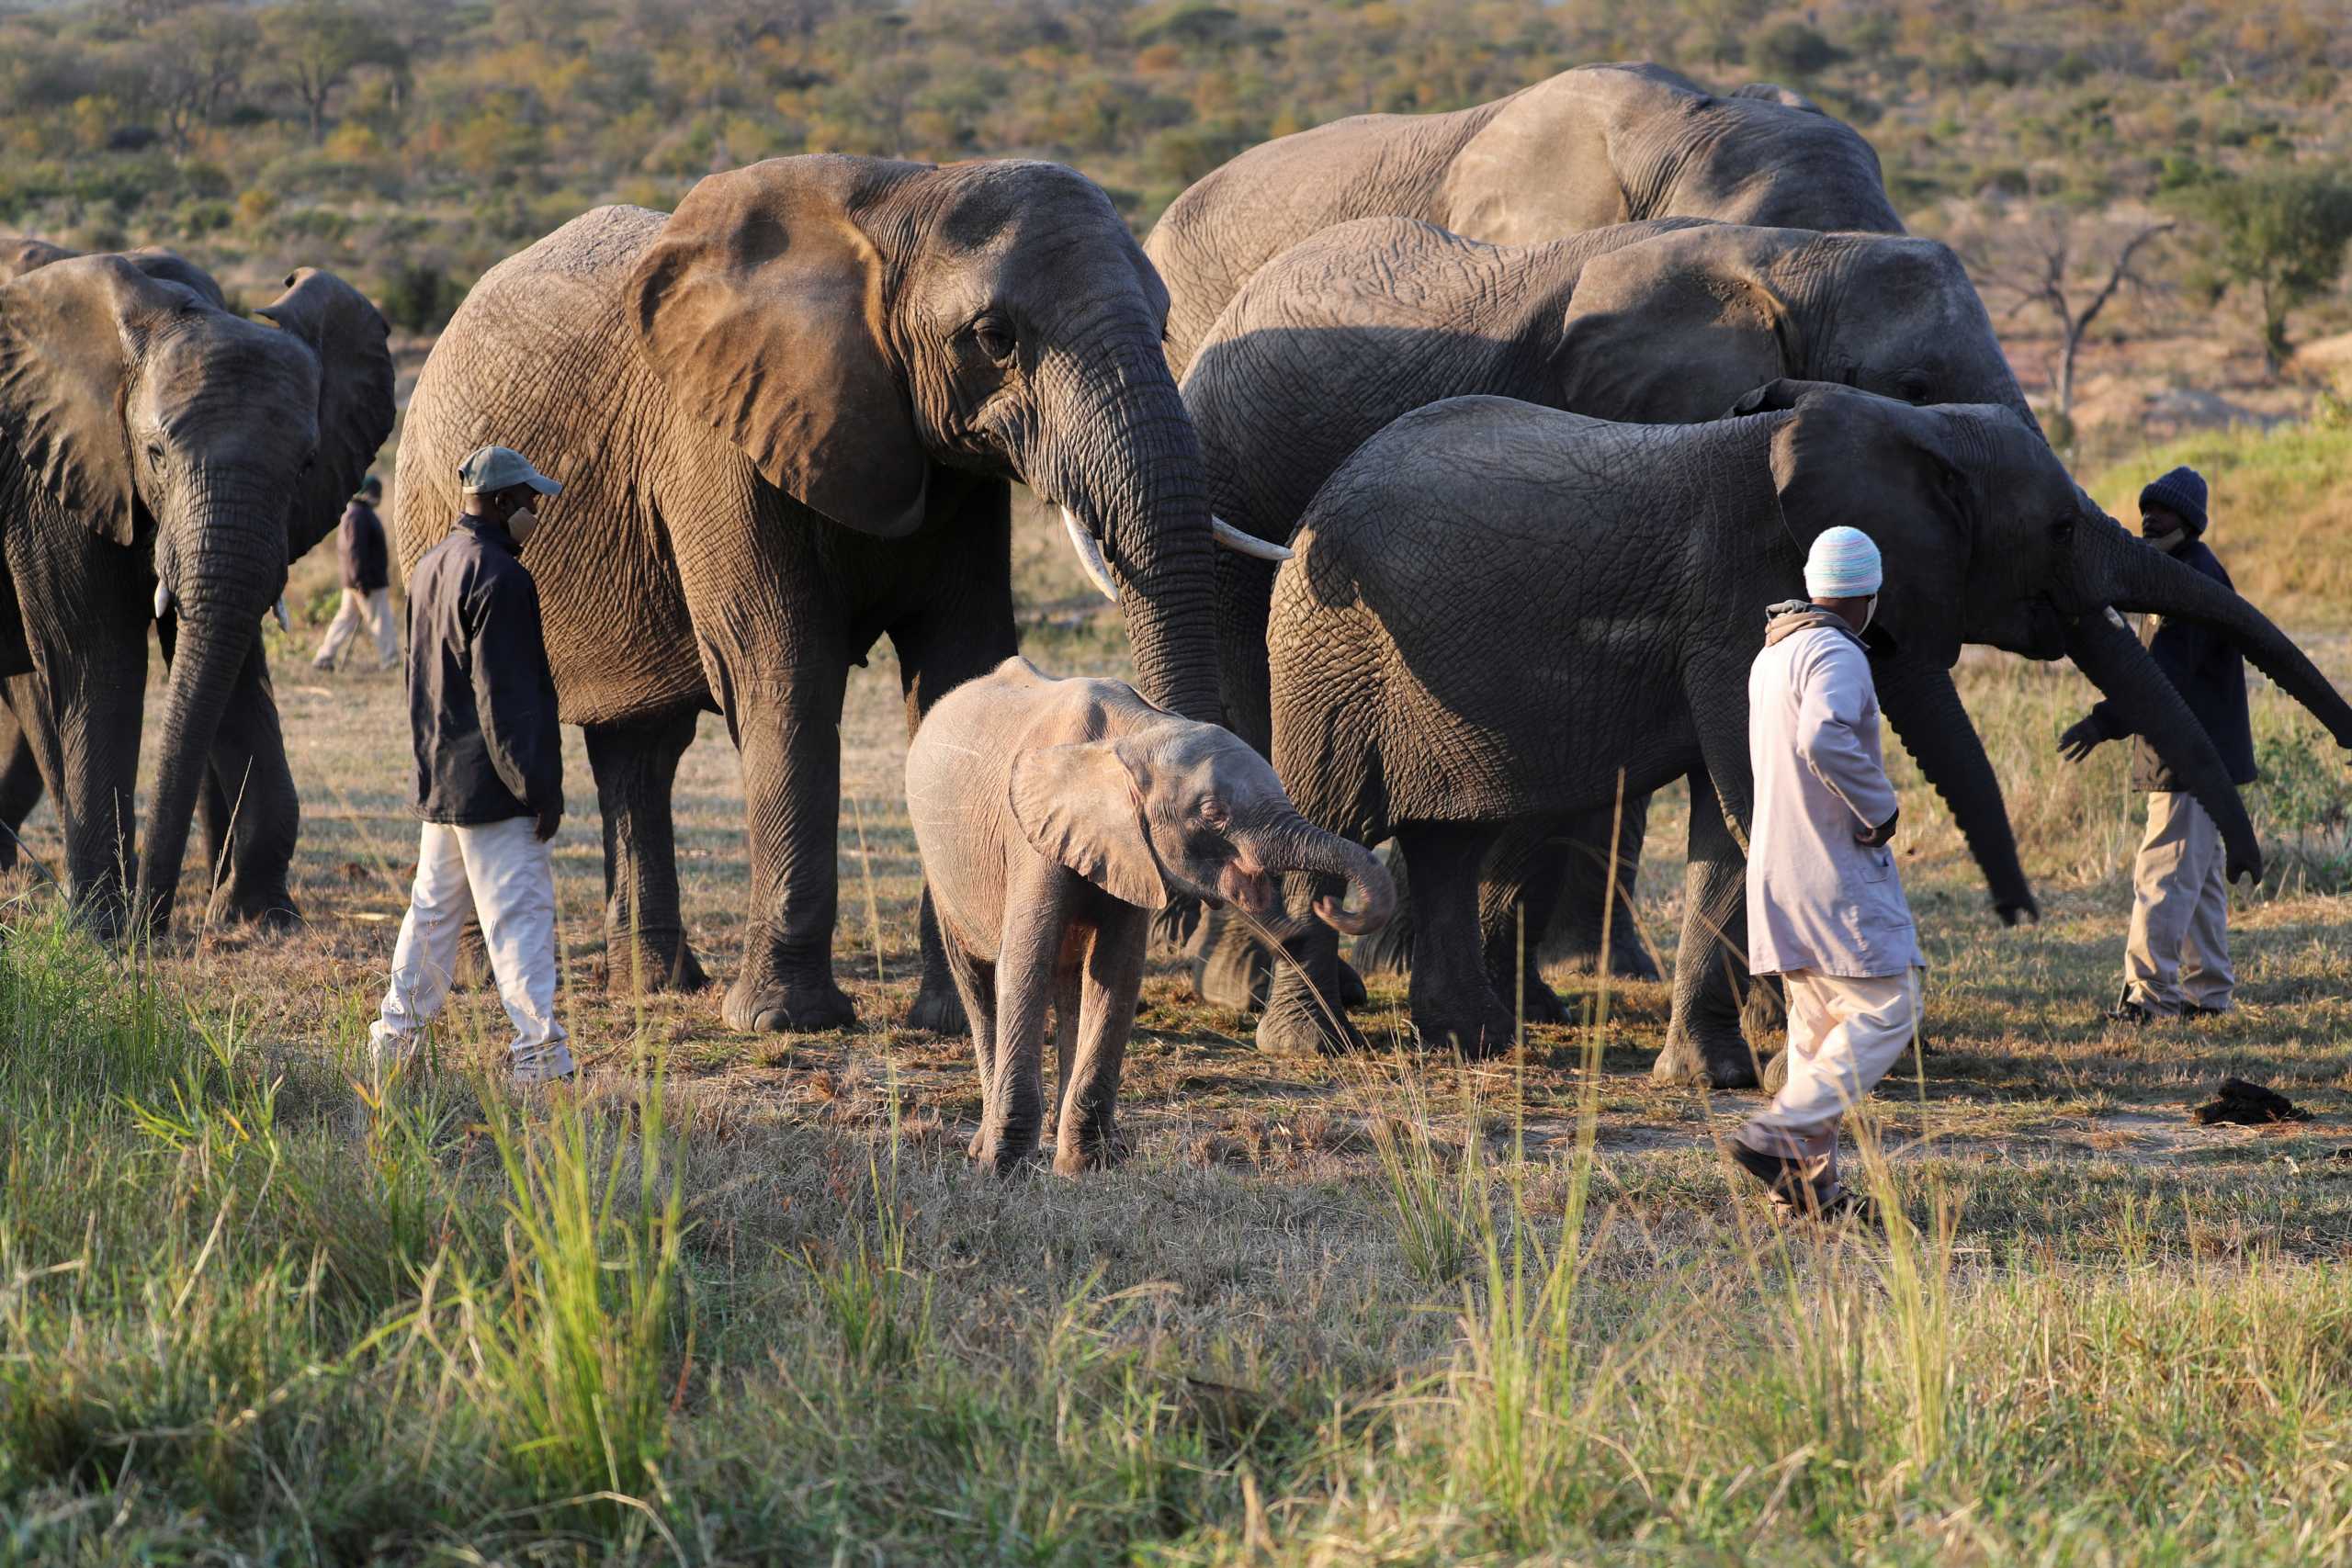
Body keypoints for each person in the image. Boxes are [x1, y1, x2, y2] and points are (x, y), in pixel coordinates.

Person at [1730, 526, 1924, 1219]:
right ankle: (1779, 1132)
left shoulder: (1770, 656)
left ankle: (1810, 1189)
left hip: (1778, 868)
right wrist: (1879, 804)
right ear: (1868, 594)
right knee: (1891, 1004)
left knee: (1814, 1030)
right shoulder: (1836, 651)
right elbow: (1822, 734)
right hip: (1831, 867)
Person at [368, 446, 573, 1085]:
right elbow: (505, 701)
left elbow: (419, 683)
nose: (536, 513)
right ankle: (540, 1063)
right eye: (531, 502)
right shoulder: (503, 577)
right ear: (505, 502)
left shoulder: (431, 566)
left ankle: (391, 1048)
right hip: (493, 791)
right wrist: (538, 788)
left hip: (442, 785)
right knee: (521, 923)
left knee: (430, 920)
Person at [2058, 466, 2252, 1024]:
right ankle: (2207, 993)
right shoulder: (2177, 569)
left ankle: (2150, 999)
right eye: (2146, 507)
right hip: (2199, 754)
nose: (2149, 517)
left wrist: (2102, 722)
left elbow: (2159, 679)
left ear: (2188, 520)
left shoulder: (2190, 580)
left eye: (2162, 510)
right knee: (2200, 878)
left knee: (2163, 874)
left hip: (2188, 758)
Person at [313, 474, 399, 671]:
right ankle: (390, 660)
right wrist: (362, 581)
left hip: (356, 581)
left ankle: (324, 657)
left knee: (345, 619)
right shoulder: (359, 515)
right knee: (380, 620)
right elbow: (355, 552)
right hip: (366, 582)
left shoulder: (355, 513)